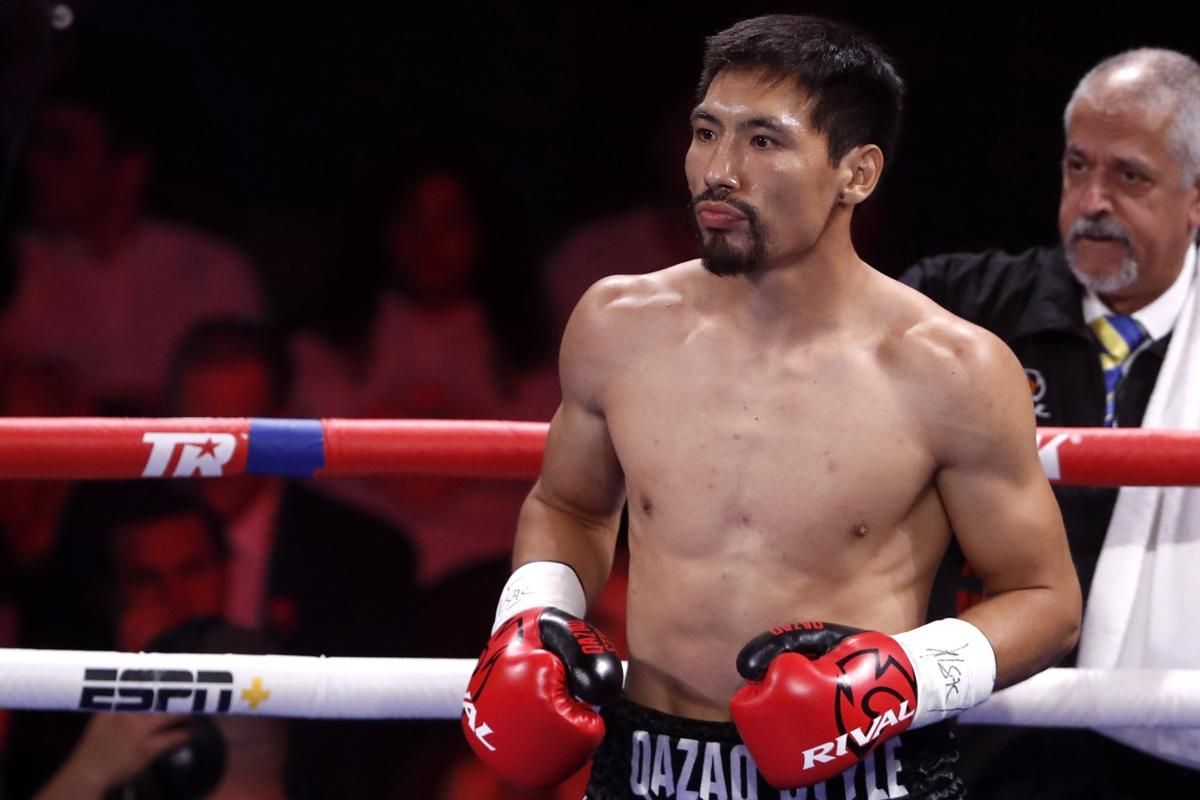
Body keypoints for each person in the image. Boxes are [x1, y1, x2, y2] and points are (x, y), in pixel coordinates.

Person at [461, 14, 1082, 800]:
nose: (719, 171)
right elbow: (570, 509)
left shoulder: (950, 369)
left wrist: (898, 679)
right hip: (651, 764)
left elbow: (1045, 601)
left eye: (763, 140)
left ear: (857, 174)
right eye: (706, 133)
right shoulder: (616, 325)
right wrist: (531, 617)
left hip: (861, 774)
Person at [901, 48, 1200, 797]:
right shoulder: (955, 312)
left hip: (1167, 754)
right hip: (975, 743)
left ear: (1195, 197)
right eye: (1077, 167)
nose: (1094, 200)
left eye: (1130, 177)